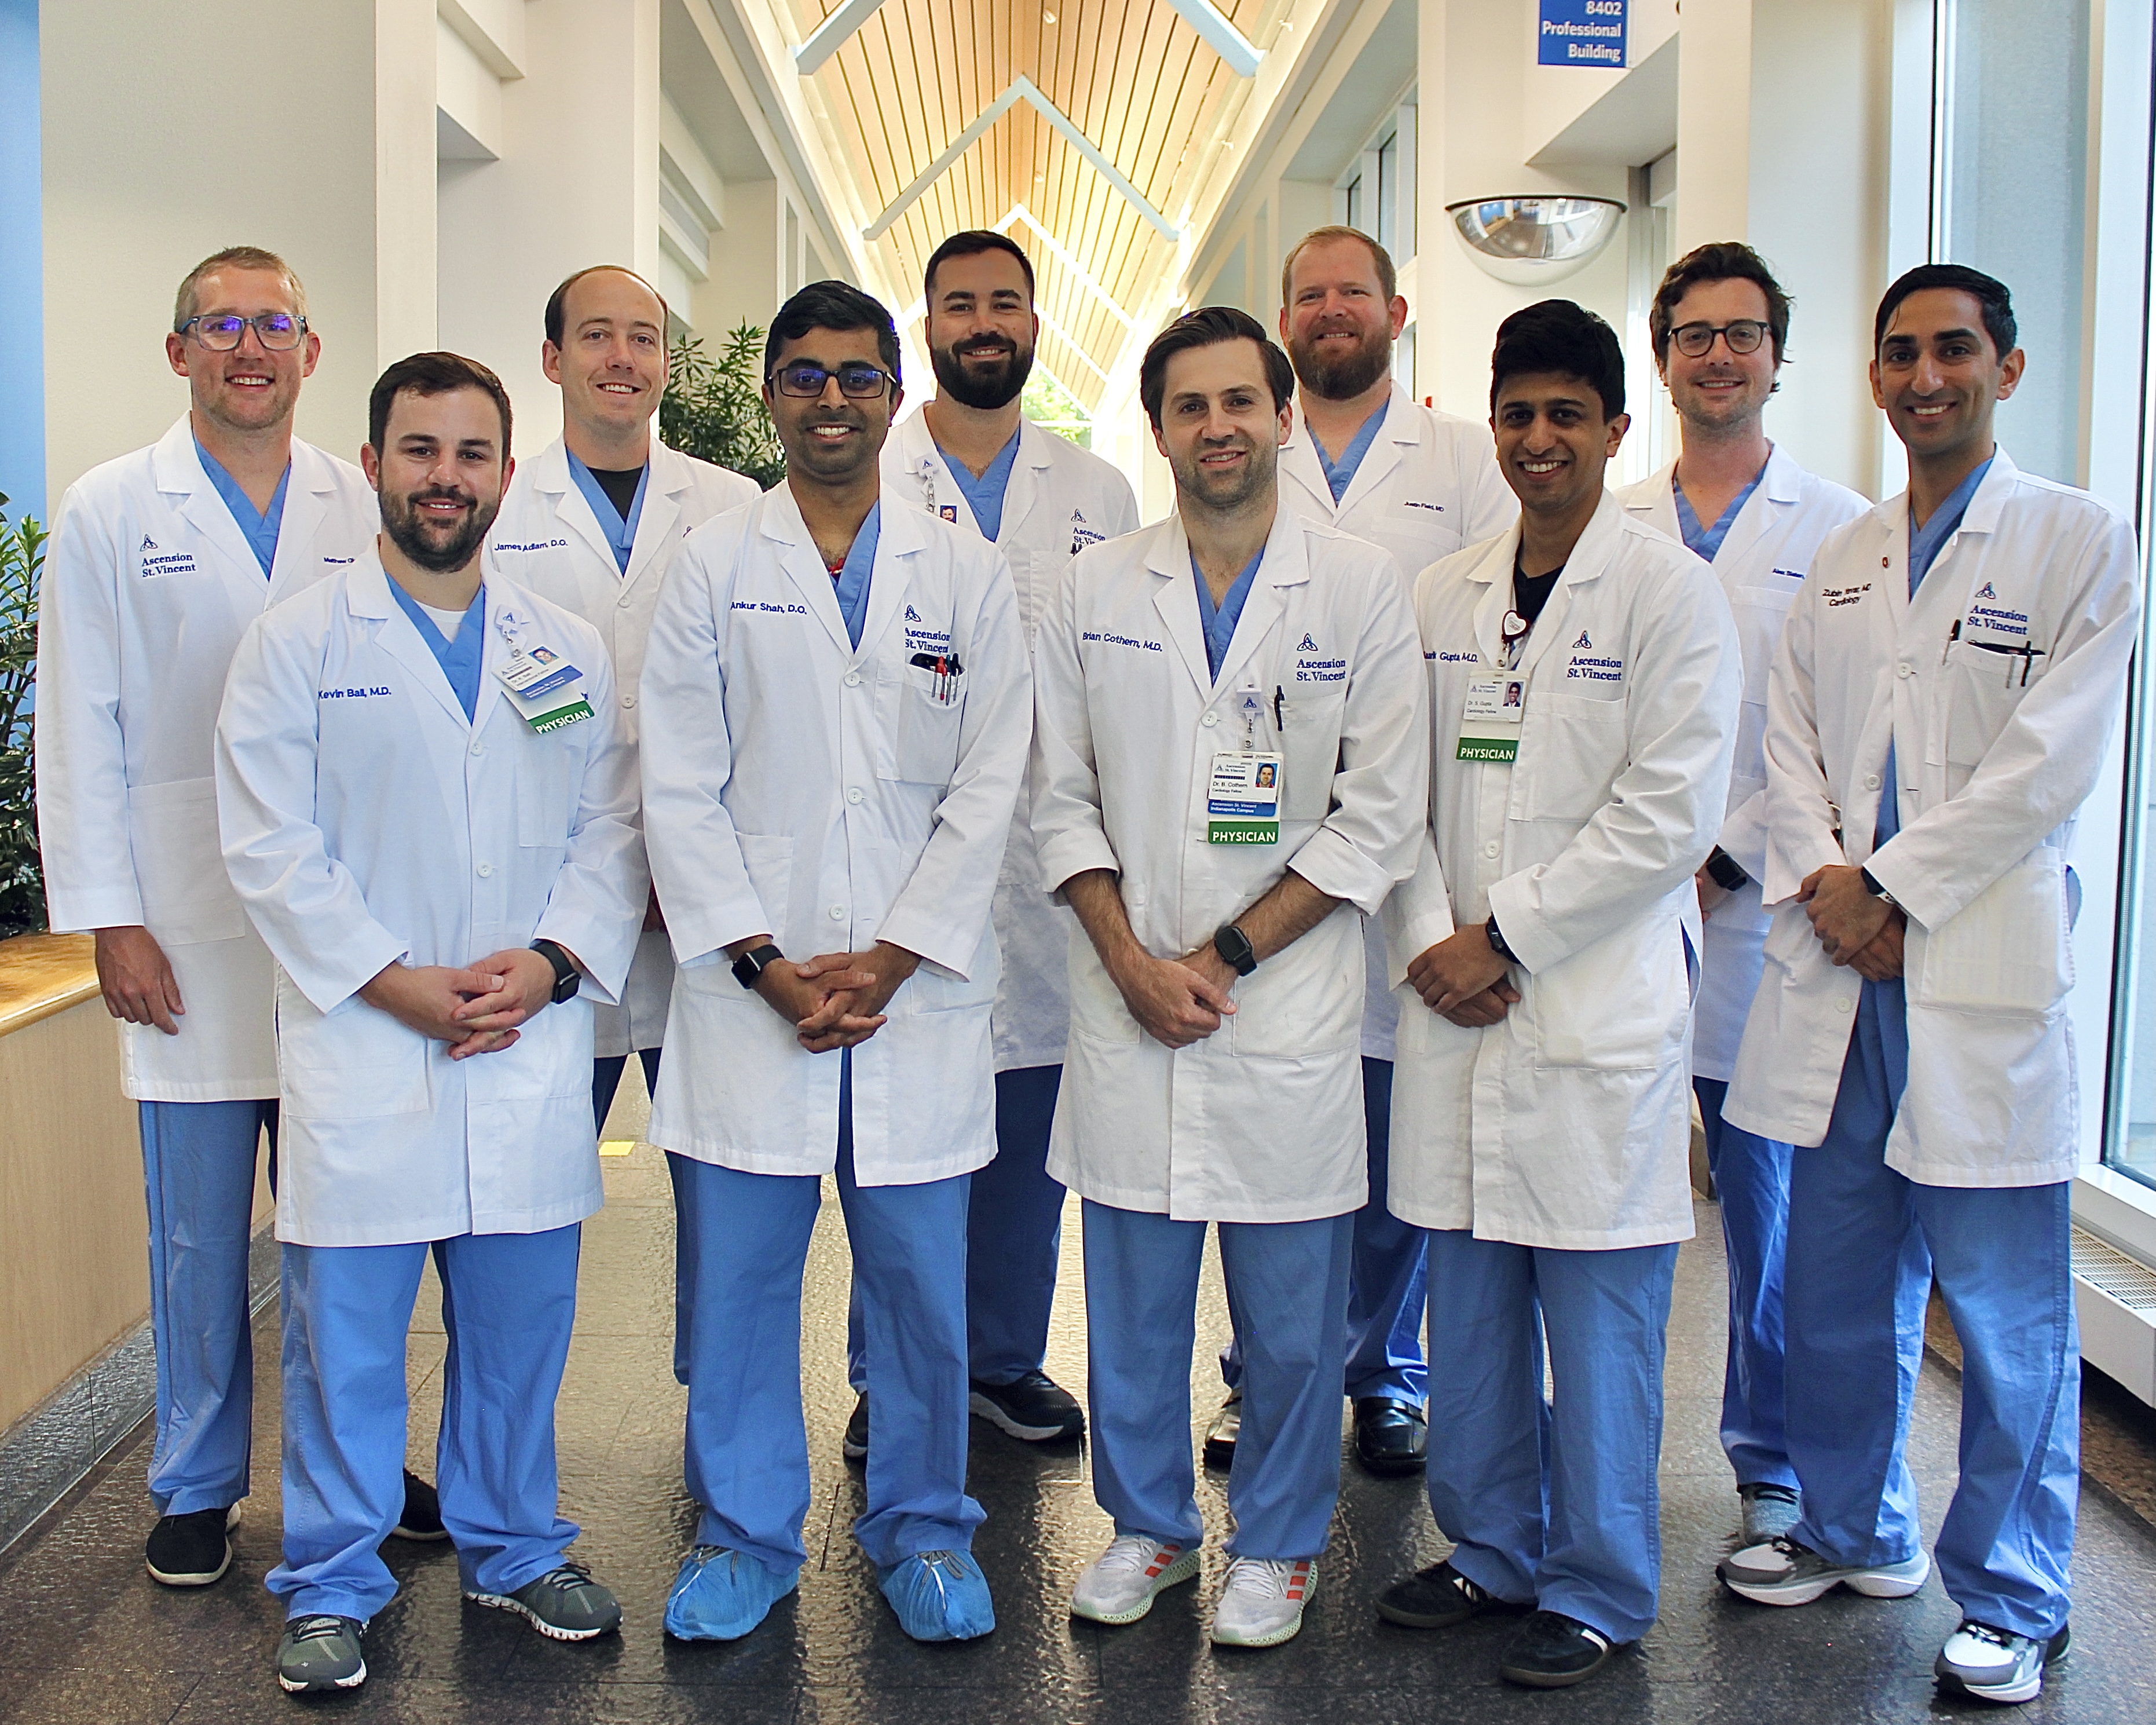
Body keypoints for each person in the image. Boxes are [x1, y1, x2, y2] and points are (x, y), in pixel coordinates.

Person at [1717, 266, 2138, 1708]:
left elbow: (2046, 764)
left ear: (2004, 369)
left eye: (1951, 350)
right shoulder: (1844, 558)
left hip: (1972, 971)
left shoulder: (2073, 539)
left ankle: (2017, 1596)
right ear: (1873, 376)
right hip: (1843, 975)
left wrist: (1890, 886)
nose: (1922, 377)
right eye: (1898, 353)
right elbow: (1786, 742)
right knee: (1838, 1285)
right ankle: (1852, 1528)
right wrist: (1833, 882)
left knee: (2008, 1317)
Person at [215, 352, 645, 1693]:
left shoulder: (561, 647)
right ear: (375, 465)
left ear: (505, 474)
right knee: (347, 1343)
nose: (444, 477)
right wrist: (391, 979)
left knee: (519, 1329)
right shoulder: (297, 644)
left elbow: (610, 827)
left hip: (521, 1038)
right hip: (366, 1041)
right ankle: (332, 1578)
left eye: (470, 454)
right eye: (419, 450)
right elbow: (270, 845)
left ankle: (513, 1545)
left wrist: (552, 963)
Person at [32, 246, 440, 1591]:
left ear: (311, 353)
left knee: (345, 1226)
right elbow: (78, 727)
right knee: (199, 1236)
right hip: (187, 927)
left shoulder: (358, 499)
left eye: (274, 324)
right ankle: (197, 1481)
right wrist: (110, 917)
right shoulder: (108, 509)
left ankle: (358, 1466)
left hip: (340, 930)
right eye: (221, 326)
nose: (249, 348)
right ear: (179, 353)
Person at [639, 282, 1031, 1646]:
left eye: (857, 378)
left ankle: (924, 1529)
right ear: (768, 395)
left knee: (920, 1295)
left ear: (892, 394)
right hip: (754, 994)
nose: (830, 401)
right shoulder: (711, 564)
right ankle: (743, 1535)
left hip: (911, 1001)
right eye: (802, 376)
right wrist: (764, 961)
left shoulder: (962, 571)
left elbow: (991, 779)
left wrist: (896, 955)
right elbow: (676, 785)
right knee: (739, 1293)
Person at [1031, 306, 1427, 1648]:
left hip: (1283, 1005)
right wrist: (1131, 962)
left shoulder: (1358, 586)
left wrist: (1220, 956)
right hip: (1126, 999)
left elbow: (1377, 814)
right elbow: (1057, 796)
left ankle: (1278, 1542)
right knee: (1133, 1309)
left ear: (1280, 417)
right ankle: (1147, 1526)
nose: (1217, 427)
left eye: (1239, 401)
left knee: (1292, 1322)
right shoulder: (1095, 588)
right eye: (1190, 406)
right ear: (1157, 429)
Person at [1377, 301, 1740, 1688]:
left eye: (1564, 416)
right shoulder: (1442, 595)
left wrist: (1506, 939)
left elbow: (1667, 813)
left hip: (1587, 1014)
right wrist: (1434, 937)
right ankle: (1488, 1549)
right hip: (1452, 1002)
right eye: (1517, 414)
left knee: (1598, 1329)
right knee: (1467, 1312)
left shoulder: (1667, 595)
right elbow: (1392, 792)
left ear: (1613, 429)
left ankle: (1595, 1582)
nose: (1537, 439)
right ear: (1491, 426)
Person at [1203, 225, 1516, 1479]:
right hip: (1264, 843)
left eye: (1351, 291)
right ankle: (1262, 1374)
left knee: (1394, 1137)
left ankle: (1383, 1370)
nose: (1330, 309)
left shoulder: (1460, 460)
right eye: (1308, 293)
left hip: (1412, 824)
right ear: (1284, 321)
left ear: (1395, 311)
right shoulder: (1244, 442)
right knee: (1267, 1132)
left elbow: (1501, 617)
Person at [859, 228, 1139, 1454]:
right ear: (925, 326)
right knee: (901, 1136)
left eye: (1006, 304)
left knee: (1026, 1130)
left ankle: (1003, 1358)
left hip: (1042, 859)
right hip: (896, 848)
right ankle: (889, 1373)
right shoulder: (870, 467)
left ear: (1035, 324)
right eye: (960, 304)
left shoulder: (1098, 492)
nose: (984, 323)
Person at [1615, 242, 1869, 1544]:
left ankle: (1769, 1458)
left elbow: (1830, 735)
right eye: (1694, 334)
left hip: (1761, 918)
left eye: (1743, 333)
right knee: (1602, 1205)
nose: (1718, 355)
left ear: (1778, 354)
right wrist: (1647, 861)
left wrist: (1716, 856)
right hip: (1621, 919)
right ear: (1661, 359)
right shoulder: (1608, 521)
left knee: (1768, 1215)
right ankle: (1595, 1455)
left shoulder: (1840, 530)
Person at [486, 265, 759, 1131]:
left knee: (719, 1156)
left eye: (643, 339)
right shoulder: (500, 508)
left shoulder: (735, 506)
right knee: (545, 1154)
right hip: (555, 884)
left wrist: (687, 863)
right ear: (552, 359)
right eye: (596, 335)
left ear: (666, 362)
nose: (621, 357)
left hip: (703, 890)